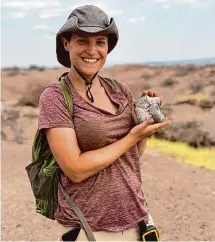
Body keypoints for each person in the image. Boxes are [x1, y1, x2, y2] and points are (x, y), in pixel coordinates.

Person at [38, 4, 172, 241]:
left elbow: (131, 157)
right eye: (82, 41)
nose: (92, 50)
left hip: (138, 219)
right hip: (90, 228)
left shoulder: (119, 90)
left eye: (100, 41)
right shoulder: (56, 97)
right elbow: (76, 169)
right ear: (66, 43)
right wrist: (131, 137)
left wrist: (144, 127)